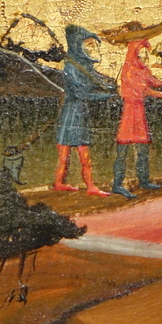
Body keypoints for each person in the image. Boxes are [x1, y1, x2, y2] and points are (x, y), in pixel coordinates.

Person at [54, 25, 116, 197]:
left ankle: (83, 185)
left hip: (79, 113)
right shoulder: (71, 67)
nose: (90, 48)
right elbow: (81, 93)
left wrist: (108, 86)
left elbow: (95, 79)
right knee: (70, 155)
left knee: (76, 155)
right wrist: (105, 95)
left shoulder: (83, 65)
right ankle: (69, 184)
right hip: (71, 114)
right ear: (77, 44)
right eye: (87, 44)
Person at [111, 37, 162, 199]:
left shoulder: (143, 69)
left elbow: (151, 81)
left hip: (139, 111)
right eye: (141, 54)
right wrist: (156, 92)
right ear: (135, 53)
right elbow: (138, 88)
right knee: (123, 149)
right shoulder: (128, 68)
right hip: (129, 111)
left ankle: (143, 180)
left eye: (146, 54)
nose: (144, 57)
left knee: (143, 148)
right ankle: (117, 184)